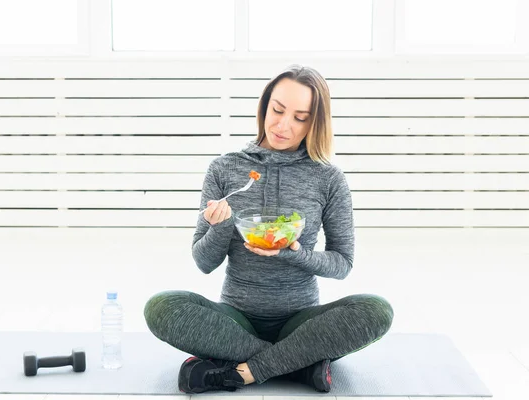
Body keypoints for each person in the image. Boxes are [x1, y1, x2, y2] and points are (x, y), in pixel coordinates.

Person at [144, 64, 394, 394]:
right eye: (277, 110)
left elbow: (342, 264)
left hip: (302, 323)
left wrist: (297, 255)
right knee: (161, 307)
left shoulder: (328, 178)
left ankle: (251, 366)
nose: (283, 125)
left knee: (376, 310)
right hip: (234, 321)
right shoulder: (223, 169)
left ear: (315, 122)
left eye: (300, 117)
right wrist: (221, 226)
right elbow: (204, 263)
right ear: (265, 106)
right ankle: (298, 366)